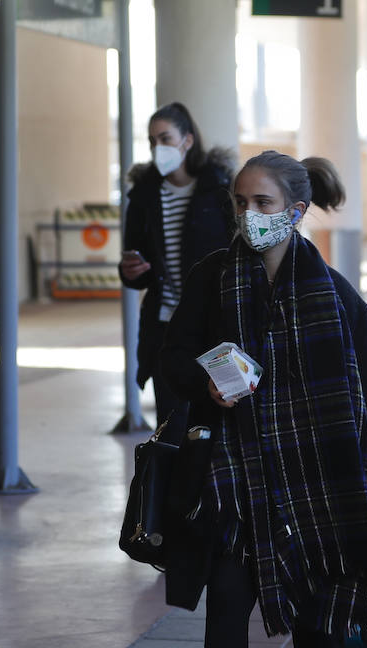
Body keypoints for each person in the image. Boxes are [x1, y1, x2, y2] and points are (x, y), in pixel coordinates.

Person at [158, 151, 367, 648]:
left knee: (315, 602)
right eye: (240, 202)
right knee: (228, 600)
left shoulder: (340, 299)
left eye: (263, 204)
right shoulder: (215, 279)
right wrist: (207, 382)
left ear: (296, 212)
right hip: (235, 472)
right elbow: (170, 357)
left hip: (314, 476)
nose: (248, 215)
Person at [119, 102, 235, 426]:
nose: (158, 147)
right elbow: (135, 262)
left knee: (216, 422)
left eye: (165, 138)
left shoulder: (219, 189)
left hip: (213, 324)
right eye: (152, 140)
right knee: (171, 426)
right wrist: (131, 271)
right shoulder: (144, 195)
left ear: (187, 140)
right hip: (166, 328)